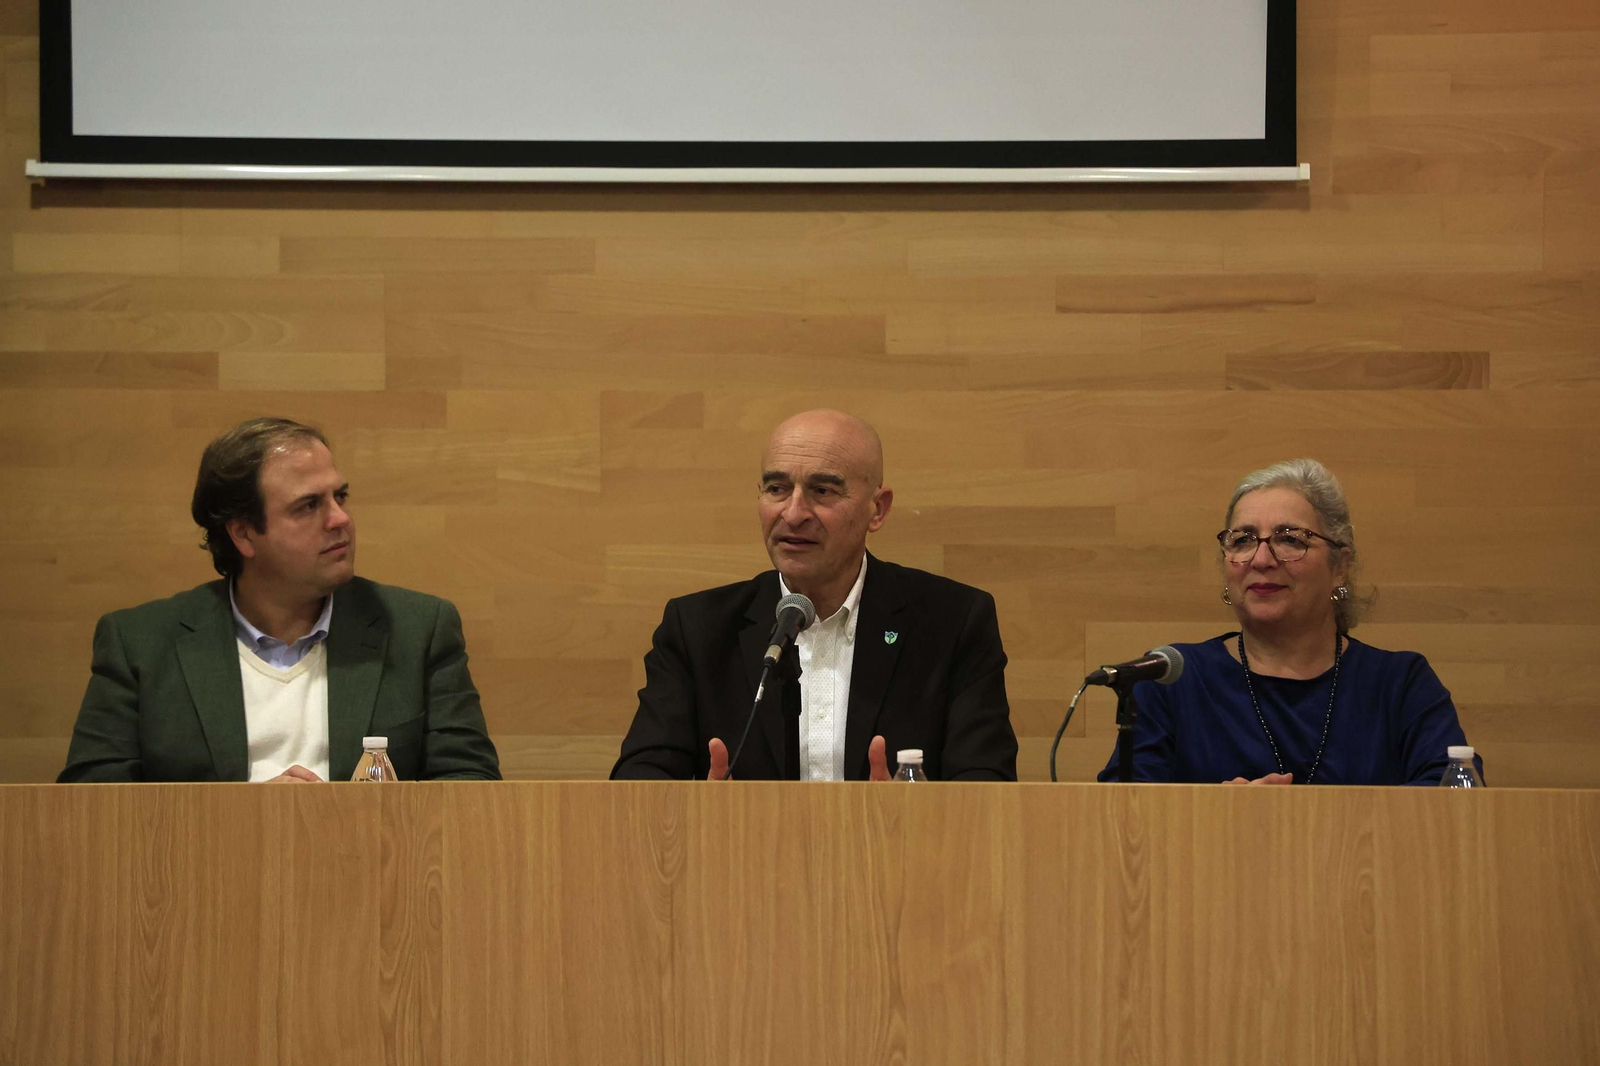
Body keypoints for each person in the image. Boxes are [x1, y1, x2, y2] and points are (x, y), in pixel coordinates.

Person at [58, 417, 500, 783]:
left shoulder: (417, 629)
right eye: (308, 506)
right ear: (243, 533)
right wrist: (250, 821)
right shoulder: (140, 644)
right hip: (200, 882)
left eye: (339, 496)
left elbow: (471, 788)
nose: (341, 519)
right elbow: (91, 808)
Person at [612, 409, 1018, 782]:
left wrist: (907, 821)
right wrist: (703, 814)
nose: (793, 513)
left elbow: (987, 784)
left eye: (822, 491)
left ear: (877, 509)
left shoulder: (952, 623)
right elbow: (637, 781)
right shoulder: (697, 629)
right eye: (776, 488)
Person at [1098, 458, 1480, 786]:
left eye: (1290, 539)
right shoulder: (1169, 680)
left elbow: (1452, 808)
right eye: (1243, 539)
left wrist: (1293, 822)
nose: (1261, 559)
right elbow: (1123, 820)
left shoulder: (1401, 685)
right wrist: (1216, 815)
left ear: (1340, 567)